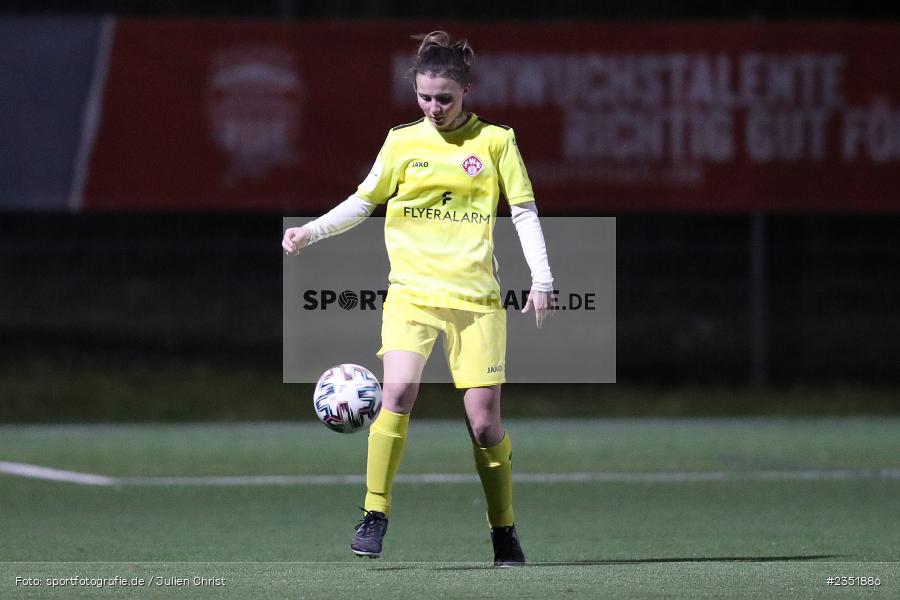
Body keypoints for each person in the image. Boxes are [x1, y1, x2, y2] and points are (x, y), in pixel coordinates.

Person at [281, 30, 553, 567]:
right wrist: (310, 231)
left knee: (483, 425)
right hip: (412, 296)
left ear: (467, 90)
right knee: (398, 391)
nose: (433, 108)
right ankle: (374, 513)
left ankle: (504, 531)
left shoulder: (496, 142)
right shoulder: (402, 141)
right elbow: (364, 202)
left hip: (476, 304)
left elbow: (522, 211)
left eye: (444, 98)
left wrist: (542, 277)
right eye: (424, 97)